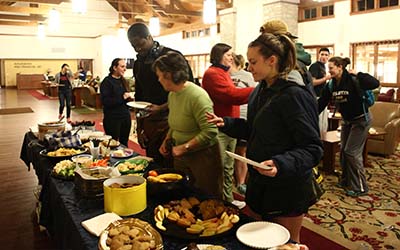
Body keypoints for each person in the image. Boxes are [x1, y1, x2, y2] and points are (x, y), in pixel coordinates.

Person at [207, 33, 323, 242]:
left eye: (253, 62)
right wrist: (228, 123)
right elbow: (256, 129)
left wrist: (281, 163)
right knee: (261, 240)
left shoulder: (294, 95)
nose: (248, 67)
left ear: (272, 60)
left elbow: (313, 148)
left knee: (287, 244)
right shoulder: (260, 90)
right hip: (261, 182)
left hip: (288, 186)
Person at [154, 51, 223, 198]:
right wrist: (167, 139)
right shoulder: (173, 94)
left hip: (203, 157)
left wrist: (185, 147)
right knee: (185, 194)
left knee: (207, 197)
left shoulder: (197, 96)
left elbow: (210, 131)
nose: (158, 79)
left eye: (160, 75)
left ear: (170, 75)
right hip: (181, 154)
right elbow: (174, 123)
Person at [127, 22, 194, 166]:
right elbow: (139, 97)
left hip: (173, 120)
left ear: (150, 37)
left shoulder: (171, 57)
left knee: (173, 167)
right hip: (150, 121)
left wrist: (161, 108)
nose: (138, 49)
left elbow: (186, 90)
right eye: (134, 47)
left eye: (140, 44)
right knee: (153, 164)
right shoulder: (139, 63)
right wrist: (139, 128)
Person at [318, 57, 379, 197]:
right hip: (347, 121)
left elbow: (375, 83)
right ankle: (346, 180)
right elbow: (322, 103)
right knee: (344, 151)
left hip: (361, 120)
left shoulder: (353, 80)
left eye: (331, 68)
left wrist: (358, 74)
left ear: (340, 67)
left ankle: (361, 187)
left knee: (352, 152)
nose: (329, 71)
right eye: (329, 68)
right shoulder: (332, 85)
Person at [202, 43, 254, 205]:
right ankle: (218, 202)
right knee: (220, 166)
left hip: (229, 126)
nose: (231, 58)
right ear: (218, 55)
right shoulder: (212, 73)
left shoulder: (224, 72)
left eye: (232, 55)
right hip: (220, 126)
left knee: (228, 166)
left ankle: (228, 199)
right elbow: (230, 95)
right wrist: (258, 90)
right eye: (228, 55)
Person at [230, 53, 257, 195]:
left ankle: (241, 182)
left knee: (241, 152)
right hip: (228, 119)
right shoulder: (222, 76)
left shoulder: (247, 76)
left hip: (244, 117)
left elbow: (255, 93)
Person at [100, 58, 133, 147]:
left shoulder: (124, 81)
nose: (125, 69)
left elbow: (125, 99)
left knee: (124, 143)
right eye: (122, 66)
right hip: (112, 118)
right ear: (114, 68)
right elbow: (106, 101)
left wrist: (130, 98)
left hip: (125, 116)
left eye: (125, 67)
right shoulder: (107, 82)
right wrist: (122, 97)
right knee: (112, 144)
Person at [310, 48, 331, 133]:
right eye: (322, 54)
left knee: (323, 125)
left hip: (322, 98)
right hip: (316, 98)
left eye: (326, 55)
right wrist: (325, 78)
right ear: (318, 55)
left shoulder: (323, 67)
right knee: (317, 124)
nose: (324, 57)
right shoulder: (315, 66)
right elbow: (312, 82)